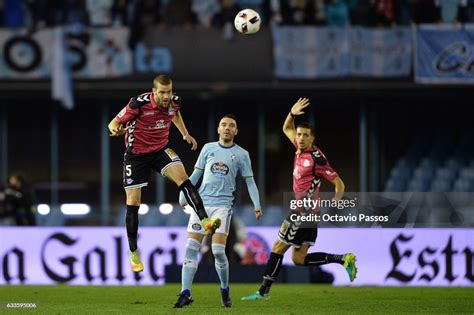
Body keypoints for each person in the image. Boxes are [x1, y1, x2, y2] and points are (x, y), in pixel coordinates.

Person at [241, 98, 357, 301]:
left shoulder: (317, 159)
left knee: (278, 247)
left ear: (313, 139)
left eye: (305, 136)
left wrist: (337, 200)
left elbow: (339, 183)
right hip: (309, 215)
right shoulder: (298, 147)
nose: (301, 138)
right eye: (300, 134)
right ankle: (343, 259)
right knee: (298, 258)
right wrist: (292, 113)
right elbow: (287, 127)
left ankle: (263, 292)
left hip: (304, 212)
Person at [108, 74, 221, 273]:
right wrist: (117, 130)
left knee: (184, 179)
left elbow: (175, 114)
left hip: (160, 150)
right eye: (161, 92)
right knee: (133, 203)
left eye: (168, 92)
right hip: (136, 156)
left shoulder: (174, 102)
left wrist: (184, 133)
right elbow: (113, 123)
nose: (166, 96)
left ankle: (205, 221)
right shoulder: (138, 104)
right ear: (154, 92)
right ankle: (134, 252)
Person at [173, 114, 263, 308]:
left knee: (217, 251)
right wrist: (183, 194)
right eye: (224, 125)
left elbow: (250, 181)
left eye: (231, 125)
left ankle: (224, 289)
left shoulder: (241, 154)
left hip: (222, 207)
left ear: (236, 131)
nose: (227, 128)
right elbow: (196, 174)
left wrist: (257, 204)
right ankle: (185, 293)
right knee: (190, 248)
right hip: (201, 205)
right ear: (218, 129)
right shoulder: (208, 148)